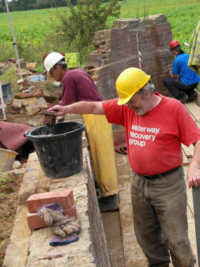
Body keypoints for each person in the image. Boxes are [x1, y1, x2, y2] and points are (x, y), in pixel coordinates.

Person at [48, 67, 200, 267]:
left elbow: (198, 139)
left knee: (177, 239)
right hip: (139, 183)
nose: (129, 106)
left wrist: (195, 165)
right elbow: (94, 107)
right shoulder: (128, 108)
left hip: (168, 184)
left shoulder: (174, 109)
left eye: (132, 100)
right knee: (146, 237)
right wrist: (67, 109)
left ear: (145, 91)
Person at [43, 52, 118, 212]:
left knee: (101, 159)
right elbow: (68, 102)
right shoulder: (77, 73)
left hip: (95, 117)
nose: (52, 76)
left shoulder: (69, 78)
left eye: (51, 72)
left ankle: (110, 198)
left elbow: (67, 103)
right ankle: (108, 195)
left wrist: (54, 113)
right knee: (102, 157)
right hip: (98, 115)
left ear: (57, 67)